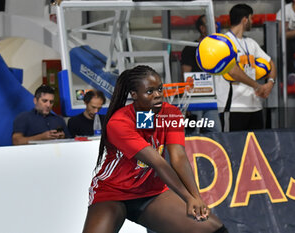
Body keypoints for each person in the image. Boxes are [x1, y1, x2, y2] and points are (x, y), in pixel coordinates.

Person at [82, 65, 229, 233]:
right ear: (134, 95)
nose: (158, 94)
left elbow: (178, 157)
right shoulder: (119, 122)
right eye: (150, 91)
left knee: (214, 230)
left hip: (150, 192)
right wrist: (187, 197)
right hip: (113, 193)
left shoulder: (171, 113)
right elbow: (159, 163)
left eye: (159, 88)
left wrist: (196, 198)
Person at [222, 4, 277, 131]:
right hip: (234, 106)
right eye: (251, 19)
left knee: (256, 147)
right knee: (234, 147)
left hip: (255, 106)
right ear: (245, 20)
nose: (252, 22)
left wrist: (270, 83)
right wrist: (257, 86)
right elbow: (233, 71)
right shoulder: (224, 42)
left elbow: (271, 64)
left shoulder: (251, 42)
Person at [180, 15, 222, 134]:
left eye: (215, 23)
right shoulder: (190, 49)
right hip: (194, 100)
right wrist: (185, 103)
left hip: (211, 99)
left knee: (216, 133)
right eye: (211, 24)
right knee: (193, 134)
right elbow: (185, 75)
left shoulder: (218, 49)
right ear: (202, 28)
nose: (215, 26)